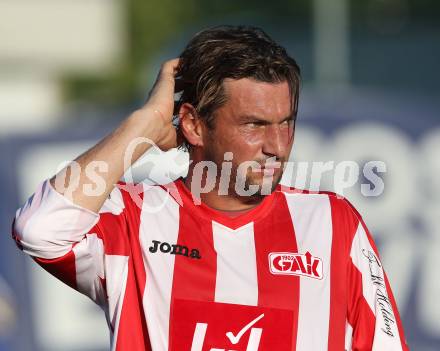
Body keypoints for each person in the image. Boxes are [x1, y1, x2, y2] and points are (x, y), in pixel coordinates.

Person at [12, 25, 408, 350]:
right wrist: (143, 127)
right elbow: (40, 230)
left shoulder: (333, 223)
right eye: (254, 124)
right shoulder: (133, 219)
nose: (277, 146)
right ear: (194, 124)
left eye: (285, 122)